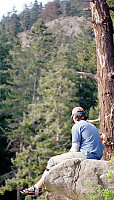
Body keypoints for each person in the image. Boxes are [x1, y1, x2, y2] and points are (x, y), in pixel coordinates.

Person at [21, 106, 103, 196]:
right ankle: (37, 187)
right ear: (84, 115)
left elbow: (74, 148)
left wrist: (66, 158)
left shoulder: (77, 126)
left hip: (87, 154)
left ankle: (37, 187)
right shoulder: (91, 125)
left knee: (52, 161)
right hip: (97, 155)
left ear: (74, 117)